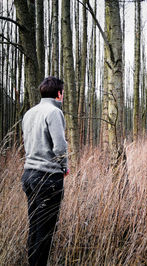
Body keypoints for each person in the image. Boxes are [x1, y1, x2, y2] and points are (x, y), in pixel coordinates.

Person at [21, 76, 69, 266]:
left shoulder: (29, 113)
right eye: (62, 93)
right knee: (45, 231)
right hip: (47, 177)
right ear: (58, 94)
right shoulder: (54, 112)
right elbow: (59, 147)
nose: (63, 96)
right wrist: (64, 166)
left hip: (28, 175)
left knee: (35, 227)